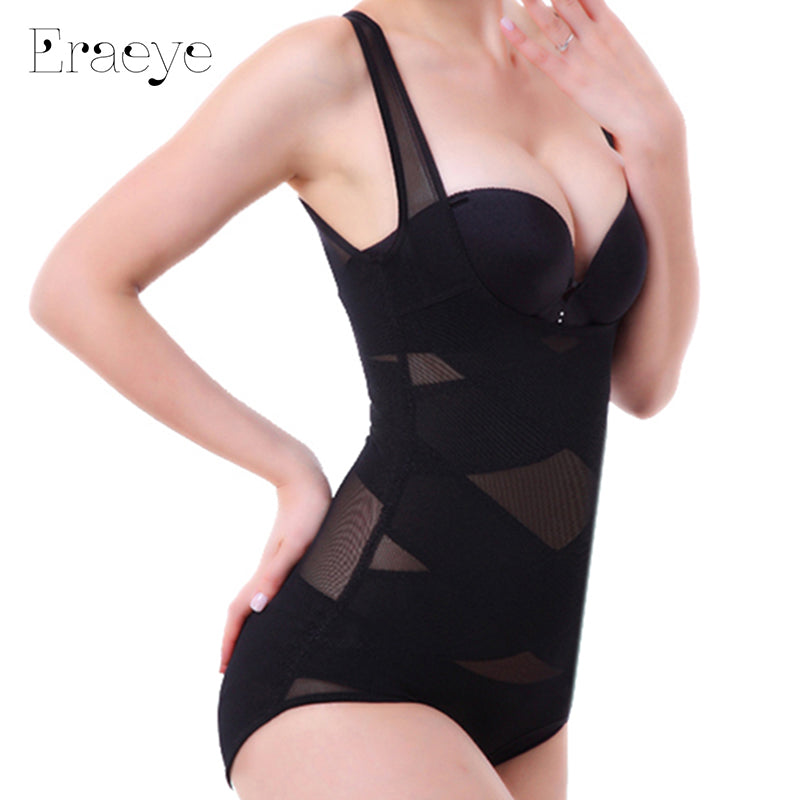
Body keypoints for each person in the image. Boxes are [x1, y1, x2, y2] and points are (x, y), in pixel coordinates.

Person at [29, 0, 699, 797]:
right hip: (350, 668)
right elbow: (75, 287)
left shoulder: (576, 56)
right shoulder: (326, 68)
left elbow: (644, 382)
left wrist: (662, 140)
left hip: (533, 690)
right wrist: (288, 468)